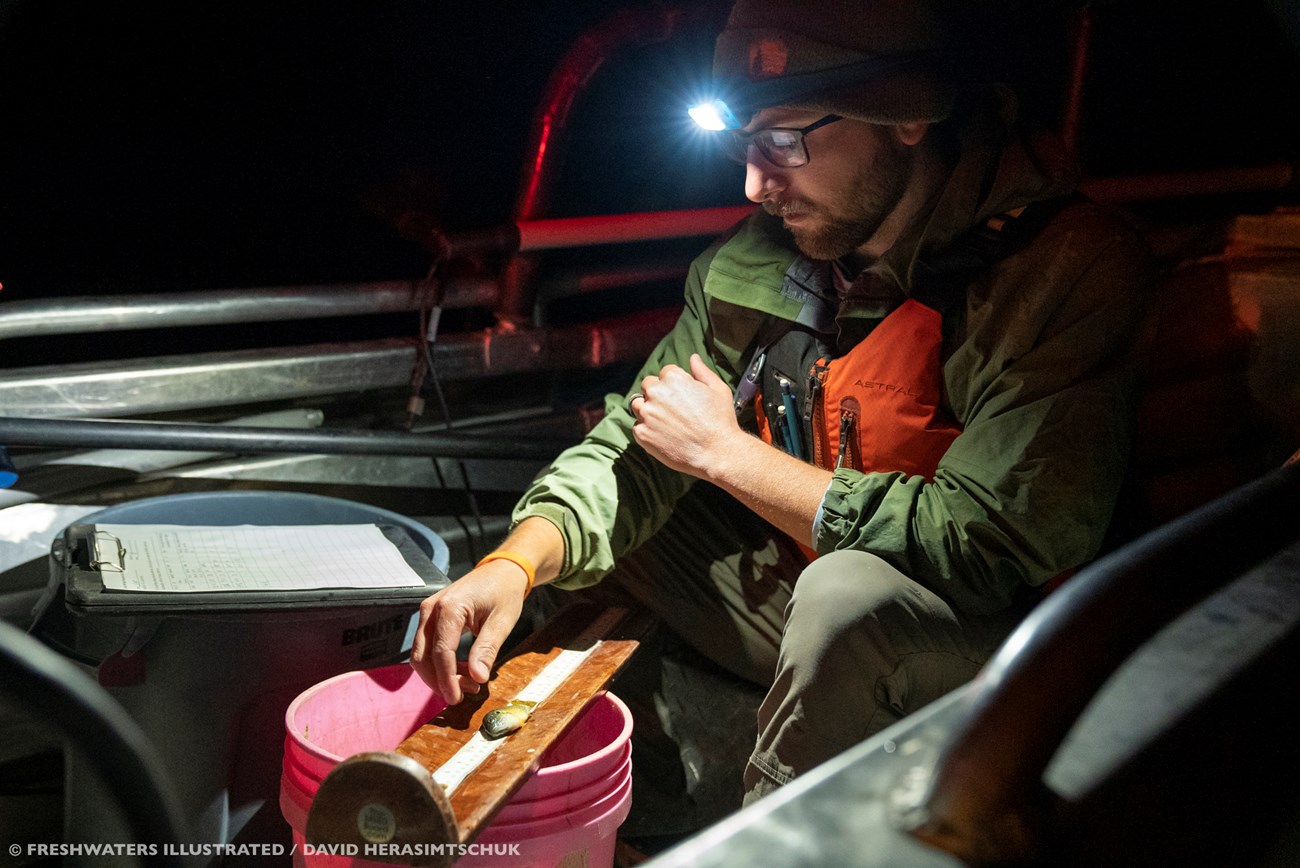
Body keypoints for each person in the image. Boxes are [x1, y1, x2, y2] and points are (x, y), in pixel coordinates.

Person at [411, 0, 1154, 811]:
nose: (754, 183)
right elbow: (644, 438)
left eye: (785, 141)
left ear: (902, 115)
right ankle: (630, 813)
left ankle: (775, 837)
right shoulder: (764, 262)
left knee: (845, 596)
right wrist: (515, 562)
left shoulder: (1060, 269)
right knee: (591, 534)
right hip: (802, 609)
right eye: (740, 142)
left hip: (1008, 651)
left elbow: (989, 546)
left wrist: (733, 459)